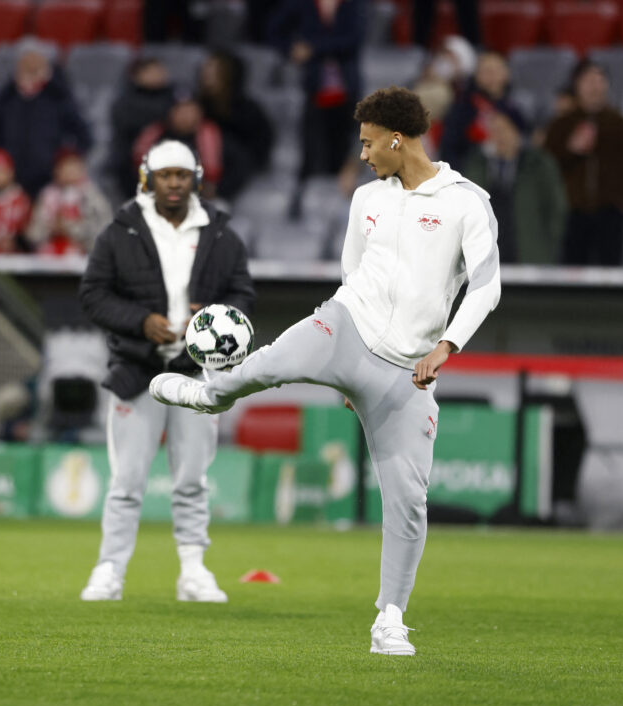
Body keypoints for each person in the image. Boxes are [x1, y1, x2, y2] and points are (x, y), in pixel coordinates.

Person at [150, 88, 501, 655]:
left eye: (368, 143)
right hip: (344, 326)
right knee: (265, 364)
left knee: (409, 501)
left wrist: (447, 345)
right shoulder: (366, 199)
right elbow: (351, 271)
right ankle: (210, 395)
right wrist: (345, 369)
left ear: (396, 137)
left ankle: (390, 618)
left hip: (408, 370)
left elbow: (488, 286)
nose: (362, 155)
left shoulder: (467, 201)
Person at [78, 139, 255, 603]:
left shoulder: (220, 232)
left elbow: (243, 292)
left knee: (193, 478)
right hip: (138, 371)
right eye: (164, 175)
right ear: (147, 178)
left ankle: (193, 570)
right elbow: (93, 294)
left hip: (197, 375)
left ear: (195, 177)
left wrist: (215, 315)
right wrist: (141, 321)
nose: (173, 183)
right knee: (126, 480)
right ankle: (110, 569)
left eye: (181, 174)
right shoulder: (121, 231)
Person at [266, 0, 367, 212]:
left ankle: (339, 213)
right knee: (311, 154)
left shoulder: (353, 4)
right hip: (316, 90)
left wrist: (313, 48)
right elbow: (273, 29)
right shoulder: (303, 4)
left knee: (342, 153)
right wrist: (290, 49)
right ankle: (301, 211)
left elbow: (354, 39)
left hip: (346, 91)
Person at [544, 60, 623, 266]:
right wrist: (570, 151)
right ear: (576, 85)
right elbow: (547, 169)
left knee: (611, 275)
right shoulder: (560, 126)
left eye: (600, 80)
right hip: (570, 214)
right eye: (588, 80)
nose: (594, 86)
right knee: (572, 274)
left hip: (611, 214)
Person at [0, 41, 92, 199]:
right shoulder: (6, 97)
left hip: (50, 182)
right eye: (26, 61)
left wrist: (67, 164)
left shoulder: (58, 95)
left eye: (36, 60)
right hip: (10, 183)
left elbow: (83, 136)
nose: (31, 65)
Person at [463, 107, 567, 264]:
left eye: (504, 130)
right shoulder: (477, 165)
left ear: (518, 132)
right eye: (494, 131)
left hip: (530, 256)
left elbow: (556, 210)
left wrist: (547, 247)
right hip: (487, 259)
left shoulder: (539, 165)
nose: (499, 137)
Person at [197, 49, 274, 196]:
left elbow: (254, 156)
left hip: (227, 183)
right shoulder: (193, 107)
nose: (206, 73)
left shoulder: (247, 111)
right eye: (206, 67)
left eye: (214, 69)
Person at [439, 50, 524, 171]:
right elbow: (449, 150)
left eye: (496, 70)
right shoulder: (462, 109)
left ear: (507, 73)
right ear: (476, 76)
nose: (492, 76)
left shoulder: (516, 109)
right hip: (471, 174)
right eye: (486, 71)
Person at [132, 90, 224, 199]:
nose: (186, 116)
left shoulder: (209, 135)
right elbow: (138, 166)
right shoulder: (155, 134)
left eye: (190, 110)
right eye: (180, 110)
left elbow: (219, 173)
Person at [108, 57, 176, 199]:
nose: (157, 74)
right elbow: (125, 128)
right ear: (136, 75)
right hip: (132, 165)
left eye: (159, 70)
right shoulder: (125, 100)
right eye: (150, 71)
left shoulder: (175, 98)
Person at [25, 149, 112, 255]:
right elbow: (32, 233)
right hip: (47, 257)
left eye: (73, 166)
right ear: (56, 170)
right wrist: (51, 229)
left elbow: (103, 229)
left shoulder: (91, 196)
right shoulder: (47, 195)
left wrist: (70, 229)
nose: (69, 171)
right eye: (64, 167)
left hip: (84, 256)